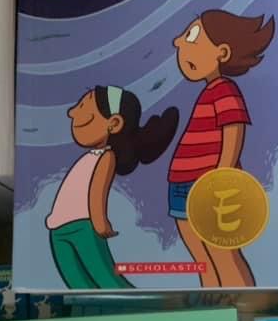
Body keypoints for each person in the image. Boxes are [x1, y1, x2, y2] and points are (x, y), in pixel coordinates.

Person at [168, 8, 275, 288]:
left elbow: (233, 129)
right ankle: (213, 303)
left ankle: (241, 302)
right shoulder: (208, 91)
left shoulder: (224, 89)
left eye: (192, 35)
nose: (178, 42)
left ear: (222, 52)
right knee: (201, 259)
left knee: (222, 254)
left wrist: (222, 176)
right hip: (181, 184)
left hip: (210, 187)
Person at [46, 86, 179, 290]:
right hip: (58, 229)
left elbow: (96, 190)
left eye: (83, 107)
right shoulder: (89, 156)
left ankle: (138, 307)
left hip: (83, 226)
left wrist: (99, 223)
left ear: (114, 123)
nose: (72, 112)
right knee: (78, 284)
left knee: (106, 278)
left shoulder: (106, 157)